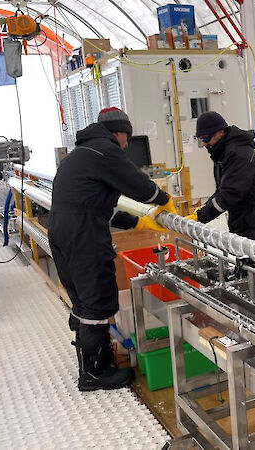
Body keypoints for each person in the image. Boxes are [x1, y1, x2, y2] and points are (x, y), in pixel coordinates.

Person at [49, 107, 177, 392]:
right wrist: (163, 200)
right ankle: (94, 373)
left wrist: (135, 222)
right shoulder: (105, 151)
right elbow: (139, 186)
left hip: (63, 229)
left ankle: (95, 362)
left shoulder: (82, 154)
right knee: (96, 298)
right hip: (83, 235)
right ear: (119, 133)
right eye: (127, 138)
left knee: (82, 299)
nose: (126, 144)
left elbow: (94, 205)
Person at [186, 111, 255, 245]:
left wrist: (201, 216)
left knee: (254, 264)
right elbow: (221, 191)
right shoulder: (222, 154)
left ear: (220, 132)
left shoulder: (239, 155)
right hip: (241, 219)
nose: (204, 144)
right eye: (201, 140)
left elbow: (229, 194)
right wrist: (201, 210)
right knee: (243, 262)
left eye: (206, 138)